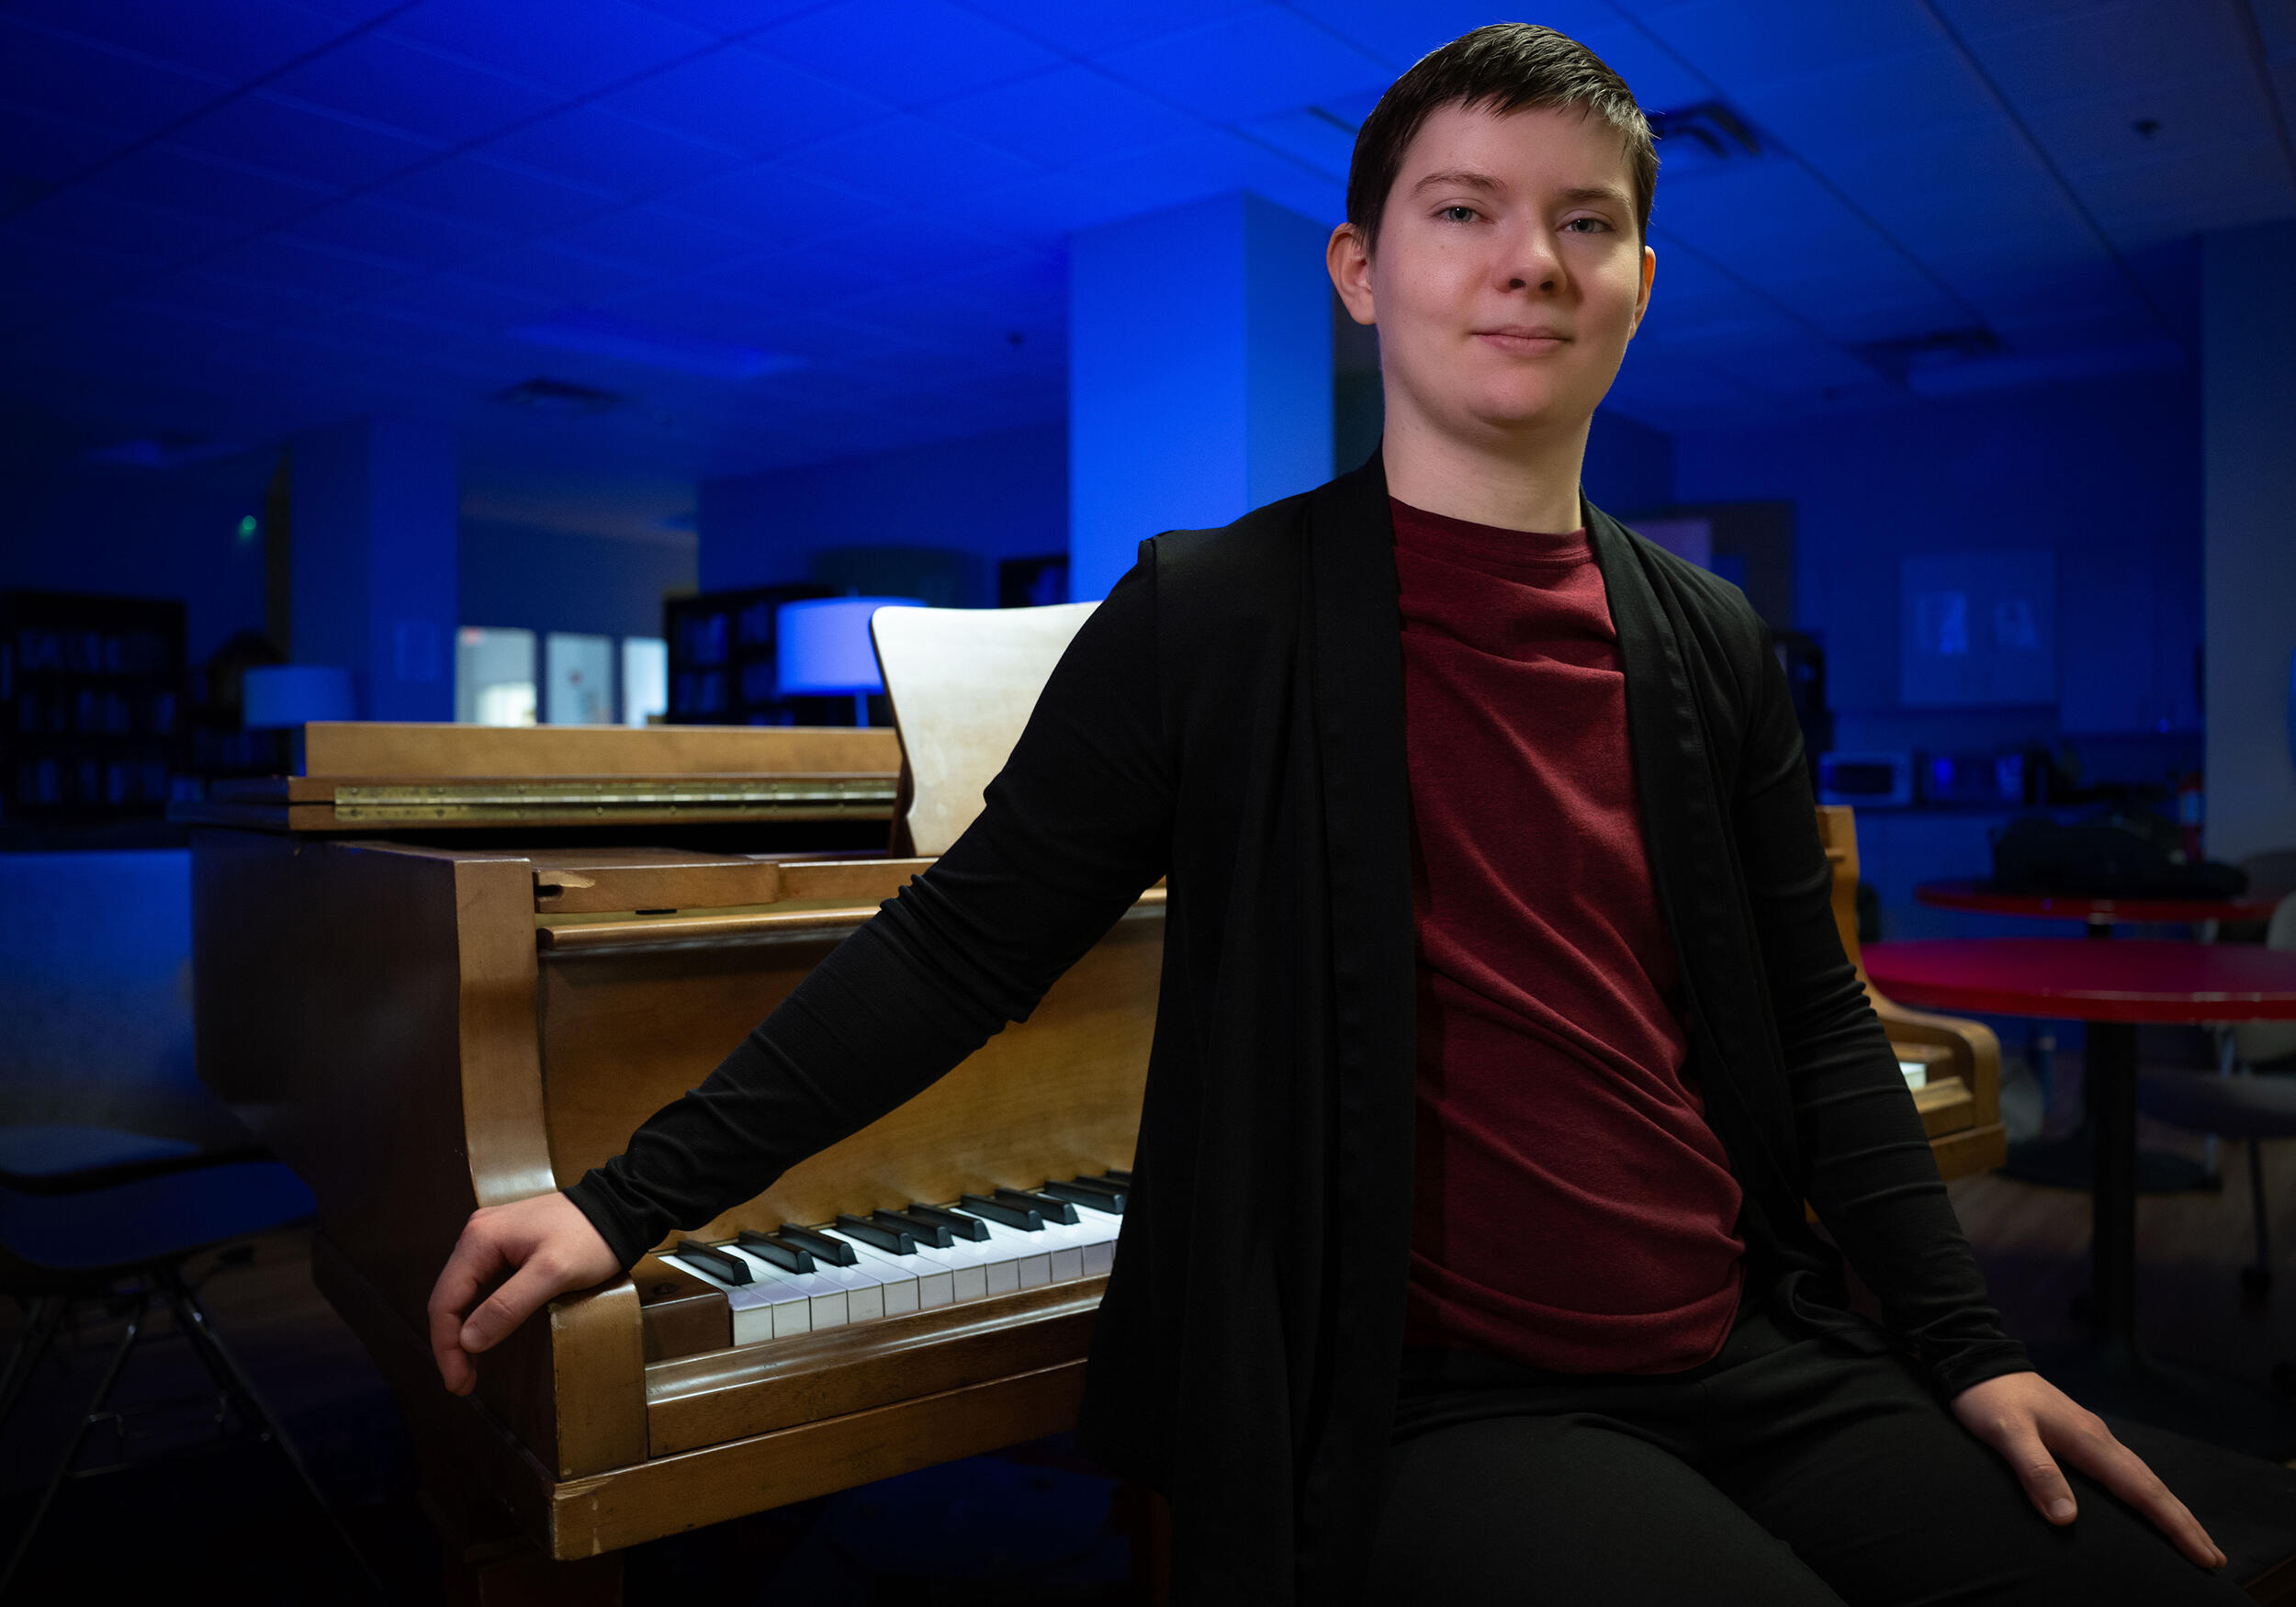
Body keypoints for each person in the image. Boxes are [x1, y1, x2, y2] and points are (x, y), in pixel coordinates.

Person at [428, 24, 2239, 1604]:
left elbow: (1815, 1020)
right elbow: (958, 942)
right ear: (1359, 273)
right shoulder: (1213, 611)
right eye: (1463, 210)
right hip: (1427, 1397)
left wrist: (1968, 1350)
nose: (1527, 259)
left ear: (1637, 281)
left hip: (1752, 1339)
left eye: (1582, 220)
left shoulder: (1708, 637)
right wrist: (617, 1200)